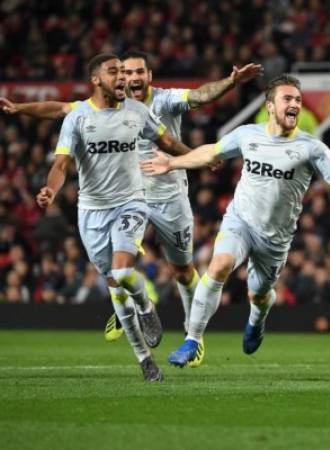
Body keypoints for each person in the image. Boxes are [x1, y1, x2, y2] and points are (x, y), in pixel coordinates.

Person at [1, 51, 262, 367]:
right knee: (117, 270)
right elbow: (58, 109)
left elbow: (201, 95)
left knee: (181, 268)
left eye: (139, 71)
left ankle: (193, 335)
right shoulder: (96, 108)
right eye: (125, 72)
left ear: (149, 76)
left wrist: (232, 82)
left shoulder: (164, 101)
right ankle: (129, 311)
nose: (131, 77)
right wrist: (19, 108)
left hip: (168, 197)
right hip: (127, 197)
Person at [140, 74, 330, 368]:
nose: (295, 104)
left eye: (298, 100)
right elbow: (211, 151)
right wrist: (171, 162)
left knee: (258, 295)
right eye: (288, 99)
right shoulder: (248, 134)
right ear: (270, 105)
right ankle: (193, 340)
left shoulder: (311, 148)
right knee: (219, 264)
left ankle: (257, 320)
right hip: (241, 222)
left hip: (275, 238)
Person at [36, 53, 201, 381]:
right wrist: (51, 190)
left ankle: (146, 308)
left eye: (125, 73)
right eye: (114, 73)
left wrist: (198, 157)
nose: (123, 78)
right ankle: (144, 358)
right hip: (92, 211)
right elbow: (61, 165)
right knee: (113, 282)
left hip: (131, 203)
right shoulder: (79, 118)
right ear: (96, 80)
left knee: (123, 270)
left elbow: (167, 141)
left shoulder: (138, 111)